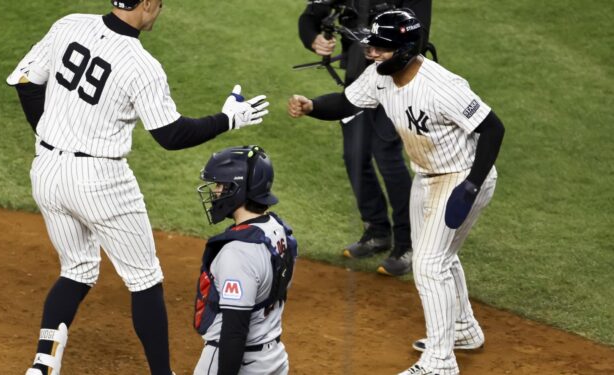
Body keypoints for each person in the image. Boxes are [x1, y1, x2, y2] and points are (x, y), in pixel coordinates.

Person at [5, 0, 270, 374]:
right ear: (145, 3)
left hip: (47, 170)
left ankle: (42, 365)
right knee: (144, 280)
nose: (159, 11)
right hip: (101, 181)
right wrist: (228, 118)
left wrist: (55, 136)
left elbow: (26, 81)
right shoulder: (140, 65)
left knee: (77, 269)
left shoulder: (69, 25)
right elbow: (171, 135)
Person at [288, 9, 505, 375]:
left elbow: (493, 128)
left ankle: (440, 362)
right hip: (428, 176)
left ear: (404, 49)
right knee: (438, 257)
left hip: (463, 176)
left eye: (380, 49)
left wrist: (470, 186)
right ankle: (464, 331)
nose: (371, 54)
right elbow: (347, 102)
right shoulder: (380, 77)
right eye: (371, 46)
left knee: (429, 264)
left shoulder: (442, 86)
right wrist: (312, 106)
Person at [297, 0, 432, 277]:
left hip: (396, 81)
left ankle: (408, 243)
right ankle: (377, 230)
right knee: (355, 155)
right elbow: (311, 15)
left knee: (387, 155)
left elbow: (419, 37)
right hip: (357, 81)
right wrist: (314, 39)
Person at [192, 145, 297, 375]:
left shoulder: (238, 252)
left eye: (220, 185)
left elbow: (235, 332)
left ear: (237, 189)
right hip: (274, 359)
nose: (216, 192)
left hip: (239, 363)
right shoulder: (277, 229)